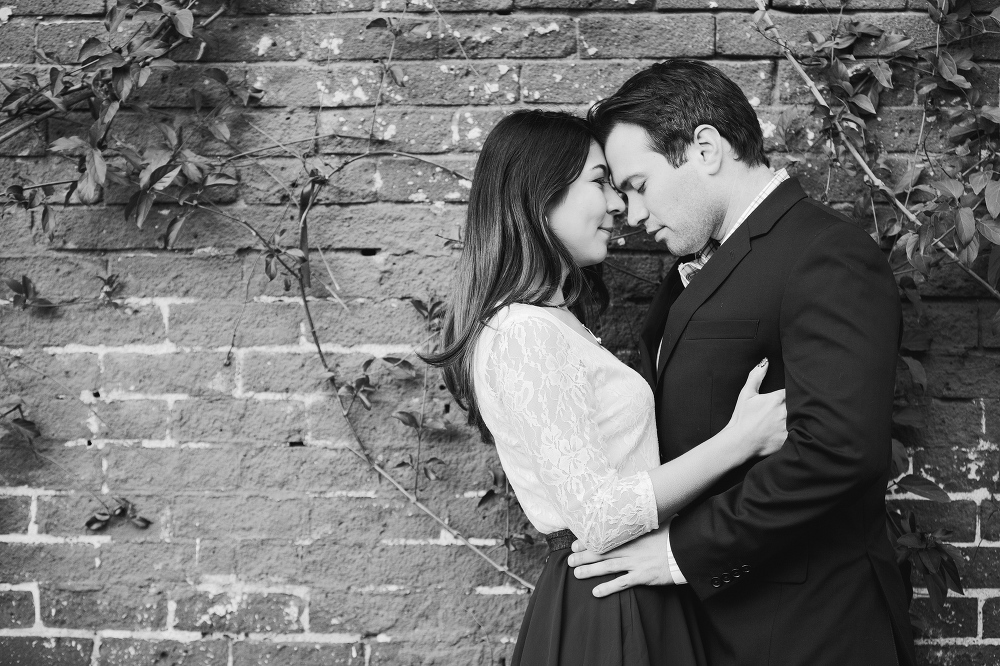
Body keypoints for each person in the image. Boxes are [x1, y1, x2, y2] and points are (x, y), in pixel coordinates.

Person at [567, 59, 917, 666]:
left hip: (807, 632)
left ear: (705, 148)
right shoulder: (696, 264)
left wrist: (681, 550)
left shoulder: (825, 255)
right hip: (718, 627)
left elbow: (838, 452)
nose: (634, 215)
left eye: (640, 185)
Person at [425, 109, 788, 666]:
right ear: (540, 193)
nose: (619, 205)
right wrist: (739, 441)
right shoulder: (523, 332)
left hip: (629, 586)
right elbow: (597, 516)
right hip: (609, 598)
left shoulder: (551, 322)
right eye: (600, 182)